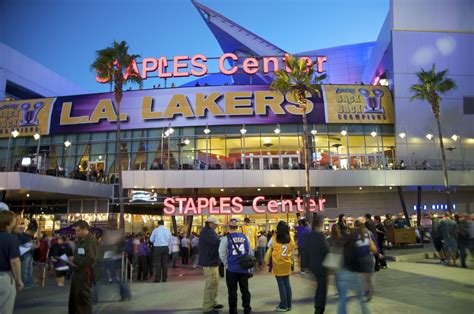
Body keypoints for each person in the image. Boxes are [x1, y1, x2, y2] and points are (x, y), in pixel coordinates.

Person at [219, 218, 252, 314]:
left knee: (232, 291)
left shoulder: (225, 239)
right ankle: (247, 308)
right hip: (244, 268)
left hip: (231, 269)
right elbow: (249, 252)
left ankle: (233, 310)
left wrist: (226, 263)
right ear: (238, 227)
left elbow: (221, 253)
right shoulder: (246, 237)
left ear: (229, 227)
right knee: (245, 290)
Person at [335, 230, 371, 314]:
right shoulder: (354, 247)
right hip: (352, 274)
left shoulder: (342, 246)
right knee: (361, 297)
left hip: (341, 273)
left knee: (342, 299)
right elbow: (357, 262)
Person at [69, 220, 98, 314]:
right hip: (78, 271)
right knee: (76, 296)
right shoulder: (81, 240)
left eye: (78, 231)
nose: (76, 233)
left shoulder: (91, 240)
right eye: (76, 231)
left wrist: (75, 260)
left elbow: (91, 259)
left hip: (85, 272)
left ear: (85, 229)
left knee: (83, 297)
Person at [268, 221, 296, 312]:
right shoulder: (290, 238)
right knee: (287, 284)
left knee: (281, 285)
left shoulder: (274, 238)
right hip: (287, 263)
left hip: (277, 264)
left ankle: (283, 306)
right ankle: (288, 305)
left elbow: (269, 246)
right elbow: (292, 249)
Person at [304, 215, 329, 314]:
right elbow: (326, 250)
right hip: (321, 266)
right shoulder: (320, 236)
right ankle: (319, 308)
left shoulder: (309, 236)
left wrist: (305, 265)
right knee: (321, 289)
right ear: (320, 224)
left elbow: (305, 251)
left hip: (313, 266)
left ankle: (318, 307)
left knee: (318, 287)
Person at [199, 216, 224, 314]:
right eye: (216, 224)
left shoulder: (209, 231)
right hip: (209, 261)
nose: (217, 225)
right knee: (210, 284)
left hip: (212, 261)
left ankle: (212, 302)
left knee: (214, 283)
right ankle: (207, 307)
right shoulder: (207, 232)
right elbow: (217, 242)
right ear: (210, 223)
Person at [0, 211, 23, 314]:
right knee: (5, 309)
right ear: (9, 222)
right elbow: (15, 261)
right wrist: (19, 280)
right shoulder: (11, 238)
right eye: (14, 220)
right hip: (3, 278)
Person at [353, 220, 378, 301]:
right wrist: (378, 253)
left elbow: (353, 248)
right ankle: (371, 289)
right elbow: (375, 243)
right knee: (370, 276)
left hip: (361, 258)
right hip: (370, 256)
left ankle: (366, 291)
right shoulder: (369, 232)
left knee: (364, 277)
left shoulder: (355, 234)